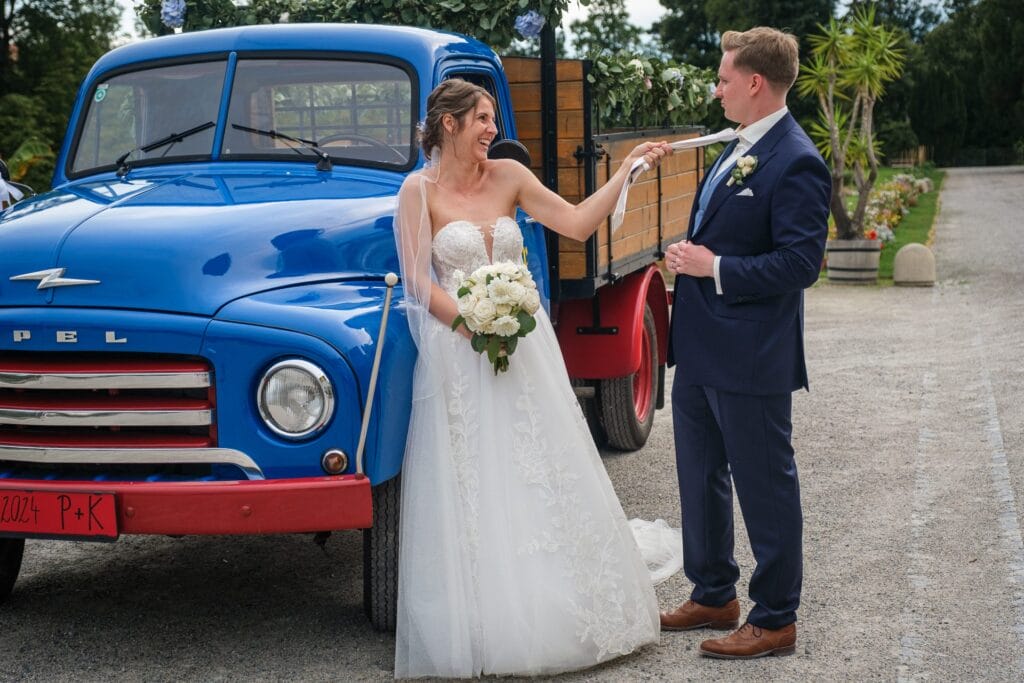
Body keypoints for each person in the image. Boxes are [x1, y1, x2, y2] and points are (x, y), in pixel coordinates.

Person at [392, 78, 672, 679]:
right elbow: (419, 281)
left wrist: (624, 172)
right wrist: (469, 324)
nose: (494, 130)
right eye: (484, 119)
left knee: (541, 466)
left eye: (492, 119)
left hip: (525, 347)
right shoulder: (417, 192)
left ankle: (560, 596)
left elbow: (574, 224)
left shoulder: (510, 178)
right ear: (450, 124)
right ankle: (491, 613)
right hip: (459, 351)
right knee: (478, 478)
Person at [661, 27, 831, 659]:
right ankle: (712, 592)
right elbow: (724, 231)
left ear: (755, 82)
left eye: (724, 78)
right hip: (702, 346)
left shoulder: (796, 158)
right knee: (699, 475)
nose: (717, 88)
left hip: (753, 355)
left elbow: (800, 264)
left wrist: (715, 269)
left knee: (765, 484)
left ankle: (776, 616)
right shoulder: (738, 146)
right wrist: (692, 256)